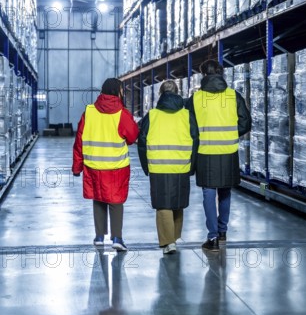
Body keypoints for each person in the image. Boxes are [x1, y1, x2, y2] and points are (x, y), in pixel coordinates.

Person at [186, 59, 251, 251]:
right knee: (225, 191)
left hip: (205, 152)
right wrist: (230, 134)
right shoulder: (233, 96)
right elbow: (245, 123)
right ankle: (223, 232)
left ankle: (212, 237)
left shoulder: (196, 99)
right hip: (228, 151)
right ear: (221, 74)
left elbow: (189, 127)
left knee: (208, 193)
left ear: (204, 75)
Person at [72, 78, 139, 250]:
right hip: (116, 167)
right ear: (118, 91)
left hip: (94, 166)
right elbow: (132, 137)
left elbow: (79, 141)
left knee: (98, 199)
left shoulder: (89, 112)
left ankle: (99, 237)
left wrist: (77, 167)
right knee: (116, 202)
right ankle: (117, 238)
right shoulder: (122, 114)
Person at [138, 79, 199, 254]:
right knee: (178, 203)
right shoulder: (187, 115)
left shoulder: (152, 115)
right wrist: (192, 166)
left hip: (159, 166)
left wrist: (146, 166)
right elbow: (196, 141)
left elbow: (142, 142)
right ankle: (174, 237)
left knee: (163, 204)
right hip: (181, 166)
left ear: (160, 94)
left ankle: (168, 242)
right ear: (178, 92)